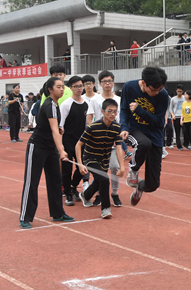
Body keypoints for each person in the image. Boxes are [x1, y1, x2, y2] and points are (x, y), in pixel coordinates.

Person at [19, 77, 75, 229]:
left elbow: (56, 129)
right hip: (37, 147)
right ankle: (25, 216)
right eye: (58, 87)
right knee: (32, 182)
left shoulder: (56, 105)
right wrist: (62, 150)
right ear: (50, 89)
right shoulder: (49, 104)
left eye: (63, 87)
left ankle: (57, 213)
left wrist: (59, 132)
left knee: (55, 181)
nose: (62, 89)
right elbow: (53, 129)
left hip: (50, 148)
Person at [121, 66, 169, 206]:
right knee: (143, 143)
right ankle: (133, 170)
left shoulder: (163, 95)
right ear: (143, 83)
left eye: (159, 89)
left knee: (153, 185)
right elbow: (124, 109)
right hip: (135, 129)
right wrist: (124, 127)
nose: (156, 93)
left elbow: (159, 122)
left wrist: (140, 110)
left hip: (155, 133)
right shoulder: (129, 87)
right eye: (153, 90)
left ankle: (140, 188)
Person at [76, 98, 125, 220]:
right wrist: (80, 164)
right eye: (110, 111)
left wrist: (122, 167)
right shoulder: (93, 127)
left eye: (115, 111)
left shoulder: (117, 128)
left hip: (104, 159)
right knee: (104, 179)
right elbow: (78, 145)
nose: (113, 114)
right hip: (90, 158)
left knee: (99, 182)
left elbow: (118, 149)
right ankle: (105, 209)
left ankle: (85, 195)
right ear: (103, 111)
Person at [87, 70, 126, 207]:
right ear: (100, 84)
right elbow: (89, 118)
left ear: (113, 83)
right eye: (104, 81)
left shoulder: (119, 100)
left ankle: (114, 193)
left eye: (109, 81)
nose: (107, 84)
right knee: (100, 170)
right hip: (98, 142)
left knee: (115, 167)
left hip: (114, 139)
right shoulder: (94, 100)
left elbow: (122, 119)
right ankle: (98, 194)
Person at [59, 76, 89, 206]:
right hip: (68, 141)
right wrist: (60, 146)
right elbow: (60, 126)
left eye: (81, 86)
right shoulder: (66, 104)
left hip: (82, 142)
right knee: (66, 169)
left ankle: (72, 186)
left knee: (82, 167)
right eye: (76, 86)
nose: (79, 88)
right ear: (70, 88)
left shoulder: (87, 103)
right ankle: (68, 194)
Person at [170, 85, 185, 150]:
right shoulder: (173, 99)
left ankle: (186, 143)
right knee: (177, 132)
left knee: (185, 131)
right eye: (178, 91)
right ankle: (179, 146)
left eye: (180, 91)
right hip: (176, 117)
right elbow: (170, 108)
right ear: (176, 91)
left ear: (182, 91)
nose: (179, 93)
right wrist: (173, 115)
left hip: (184, 117)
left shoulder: (184, 98)